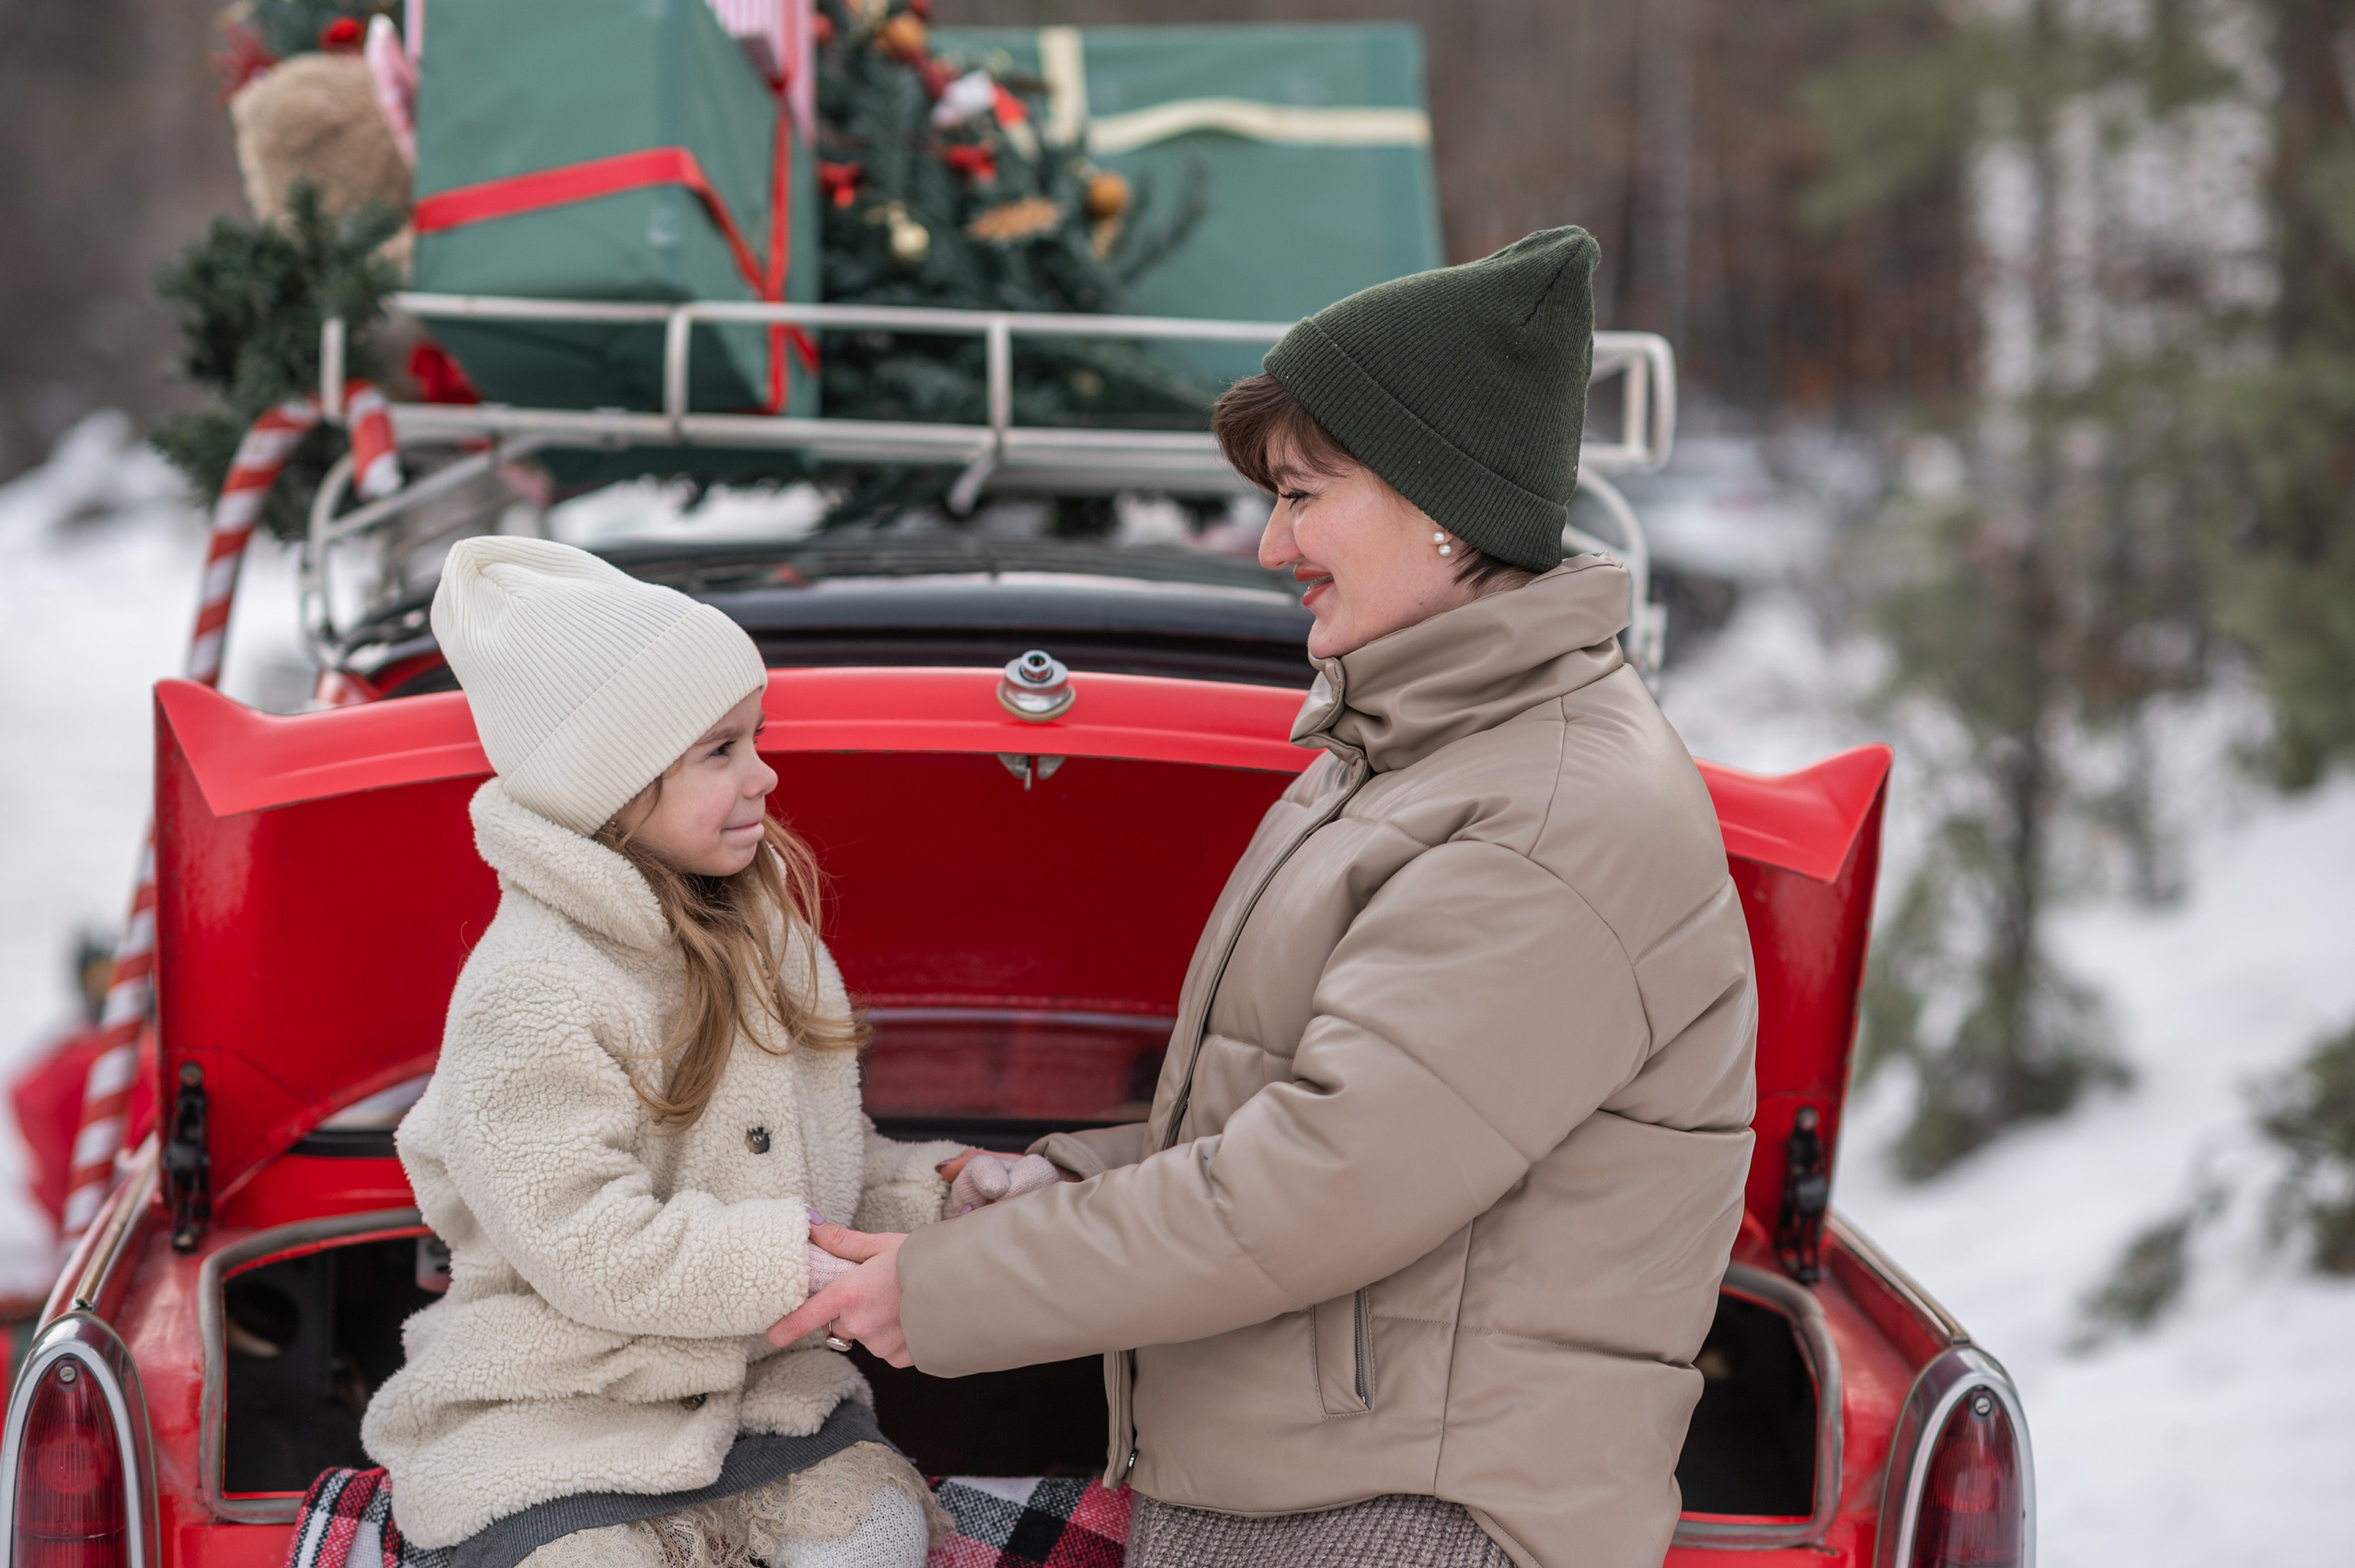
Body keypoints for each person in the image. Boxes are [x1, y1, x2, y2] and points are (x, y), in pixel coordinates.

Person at [772, 227, 1760, 1568]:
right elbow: (1270, 1121)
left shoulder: (1544, 818)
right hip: (1301, 1504)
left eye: (1303, 495)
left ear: (1443, 502)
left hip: (1412, 1528)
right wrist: (1023, 1184)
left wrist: (939, 1294)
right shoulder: (1404, 754)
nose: (1267, 543)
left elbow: (1316, 1187)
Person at [361, 538, 963, 1568]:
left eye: (755, 738)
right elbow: (585, 1237)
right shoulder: (529, 988)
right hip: (557, 1408)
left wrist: (945, 1197)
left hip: (769, 1398)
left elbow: (821, 1166)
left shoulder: (768, 942)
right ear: (614, 783)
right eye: (719, 750)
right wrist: (798, 1263)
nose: (764, 773)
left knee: (876, 1536)